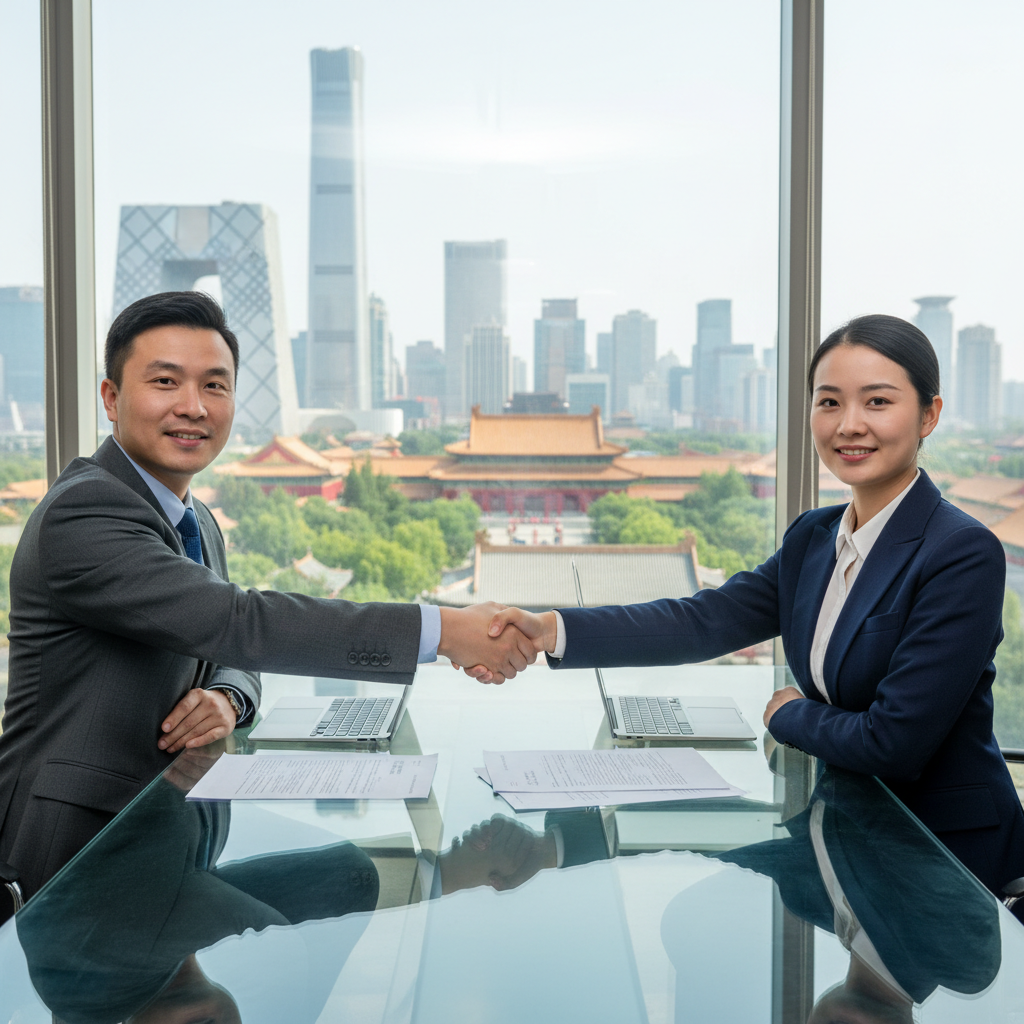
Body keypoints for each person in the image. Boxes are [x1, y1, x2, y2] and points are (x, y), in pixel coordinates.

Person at [0, 291, 536, 904]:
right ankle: (452, 882)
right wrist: (444, 631)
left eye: (215, 386)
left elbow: (225, 642)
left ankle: (443, 881)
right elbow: (240, 620)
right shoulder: (86, 513)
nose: (193, 407)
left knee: (348, 874)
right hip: (78, 852)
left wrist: (229, 696)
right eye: (165, 382)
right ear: (112, 398)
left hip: (177, 825)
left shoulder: (192, 515)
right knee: (339, 886)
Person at [480, 313, 1024, 899]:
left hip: (940, 855)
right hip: (845, 825)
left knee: (708, 905)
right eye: (830, 402)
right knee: (700, 901)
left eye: (878, 402)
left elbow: (894, 743)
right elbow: (701, 621)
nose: (850, 425)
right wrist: (550, 629)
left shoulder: (961, 552)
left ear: (929, 415)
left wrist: (786, 714)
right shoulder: (814, 539)